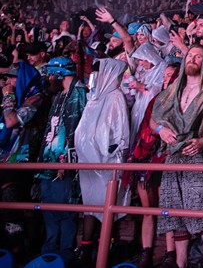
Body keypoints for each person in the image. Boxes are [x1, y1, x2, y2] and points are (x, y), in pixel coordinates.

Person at [151, 45, 203, 268]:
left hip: (198, 155)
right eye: (190, 55)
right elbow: (154, 119)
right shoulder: (174, 89)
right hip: (173, 156)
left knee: (202, 211)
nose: (192, 59)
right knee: (175, 214)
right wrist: (160, 131)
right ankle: (180, 264)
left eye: (198, 56)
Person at [74, 57, 132, 266]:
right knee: (90, 205)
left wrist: (110, 152)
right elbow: (83, 129)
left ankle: (105, 246)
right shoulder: (94, 97)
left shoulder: (116, 96)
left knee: (107, 205)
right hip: (88, 161)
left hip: (107, 161)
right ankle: (86, 246)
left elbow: (120, 130)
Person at [123, 62, 180, 268]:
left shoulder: (181, 100)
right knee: (148, 209)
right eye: (164, 75)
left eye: (170, 75)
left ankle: (170, 253)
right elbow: (144, 128)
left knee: (167, 208)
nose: (166, 79)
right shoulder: (155, 99)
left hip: (166, 158)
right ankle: (146, 252)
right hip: (146, 157)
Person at [35, 56, 88, 265]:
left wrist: (66, 160)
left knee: (65, 211)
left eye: (50, 74)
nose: (48, 78)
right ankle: (48, 254)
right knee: (48, 209)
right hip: (48, 161)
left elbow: (78, 130)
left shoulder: (79, 92)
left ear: (60, 73)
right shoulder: (58, 95)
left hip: (64, 165)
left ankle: (63, 256)